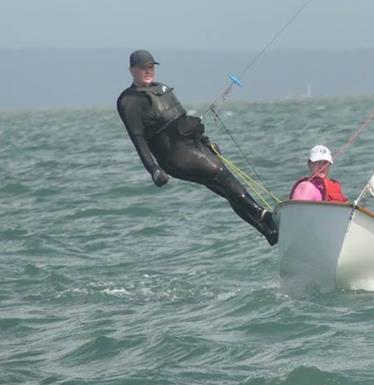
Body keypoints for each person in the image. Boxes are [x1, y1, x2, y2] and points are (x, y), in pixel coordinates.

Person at [117, 49, 278, 245]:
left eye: (151, 67)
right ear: (132, 70)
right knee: (222, 175)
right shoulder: (130, 100)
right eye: (143, 68)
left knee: (226, 187)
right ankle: (264, 216)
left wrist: (205, 141)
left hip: (192, 146)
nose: (148, 71)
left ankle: (268, 232)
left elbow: (181, 122)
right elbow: (138, 138)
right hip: (175, 155)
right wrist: (153, 169)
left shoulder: (161, 89)